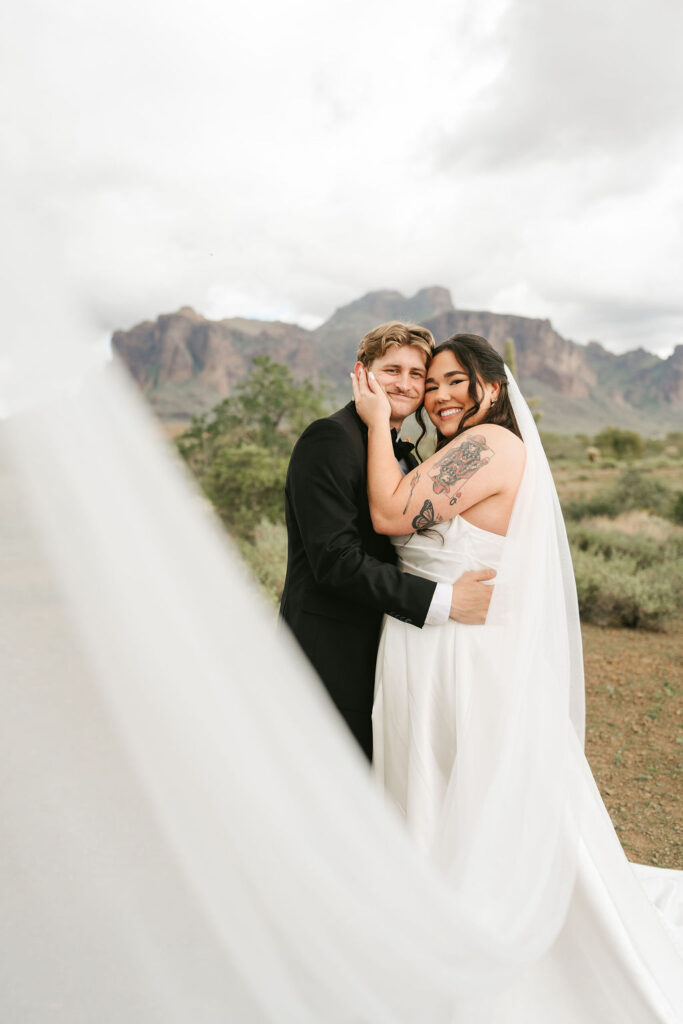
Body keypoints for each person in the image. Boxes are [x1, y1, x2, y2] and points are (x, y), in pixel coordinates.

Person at [353, 333, 683, 1020]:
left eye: (454, 382)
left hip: (461, 661)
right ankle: (427, 927)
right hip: (431, 650)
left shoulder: (490, 447)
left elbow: (389, 514)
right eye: (431, 383)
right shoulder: (456, 451)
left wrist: (375, 424)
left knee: (467, 799)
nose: (439, 394)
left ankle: (465, 949)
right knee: (437, 793)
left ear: (492, 390)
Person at [279, 321, 496, 760]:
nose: (406, 384)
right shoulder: (329, 439)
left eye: (418, 375)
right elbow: (335, 561)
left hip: (390, 653)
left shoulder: (407, 452)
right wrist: (445, 601)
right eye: (392, 370)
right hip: (329, 656)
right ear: (362, 373)